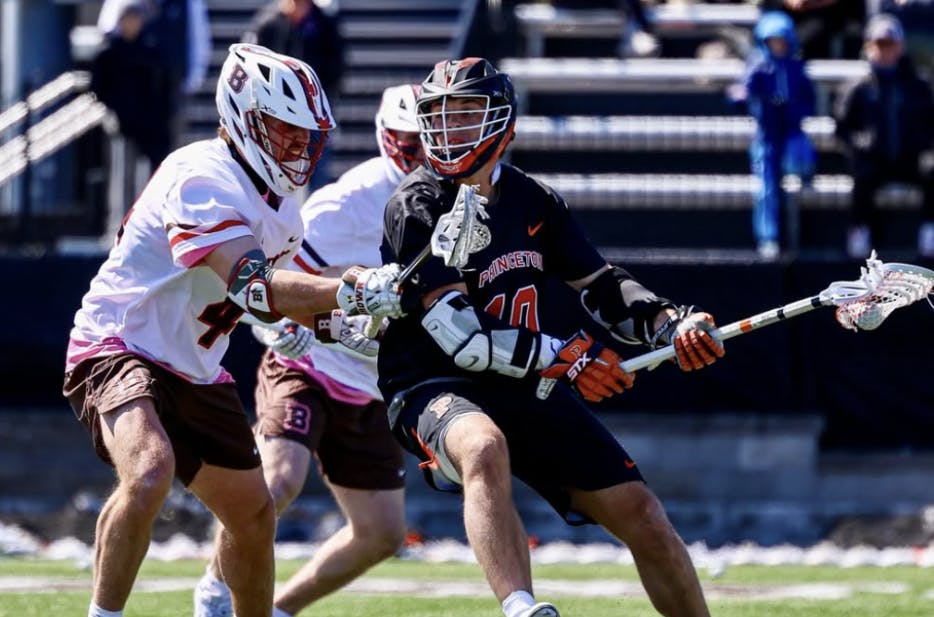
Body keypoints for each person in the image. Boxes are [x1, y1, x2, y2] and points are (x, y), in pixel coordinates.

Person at [62, 43, 403, 617]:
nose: (298, 147)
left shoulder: (284, 211)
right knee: (149, 472)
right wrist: (355, 289)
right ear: (244, 117)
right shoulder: (201, 175)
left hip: (194, 366)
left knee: (254, 514)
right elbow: (253, 284)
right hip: (121, 344)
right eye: (285, 130)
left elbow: (267, 308)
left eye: (307, 136)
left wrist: (353, 330)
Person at [378, 57, 726, 617]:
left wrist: (670, 322)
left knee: (644, 516)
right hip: (432, 380)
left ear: (503, 123)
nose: (449, 129)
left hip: (525, 382)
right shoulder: (415, 204)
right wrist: (567, 357)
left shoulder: (533, 200)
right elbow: (459, 336)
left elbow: (601, 285)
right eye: (440, 115)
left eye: (464, 114)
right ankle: (522, 608)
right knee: (482, 446)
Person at [193, 83, 425, 617]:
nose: (421, 154)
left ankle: (279, 609)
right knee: (276, 483)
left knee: (382, 531)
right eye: (409, 141)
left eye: (428, 141)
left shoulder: (456, 203)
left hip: (374, 383)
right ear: (386, 137)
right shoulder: (349, 202)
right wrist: (278, 328)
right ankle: (216, 591)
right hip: (311, 364)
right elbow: (267, 280)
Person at [834, 13, 934, 258]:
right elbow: (842, 127)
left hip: (910, 159)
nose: (885, 50)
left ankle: (930, 231)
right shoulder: (858, 86)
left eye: (890, 44)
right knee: (862, 176)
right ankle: (859, 232)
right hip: (874, 159)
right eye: (880, 44)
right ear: (869, 46)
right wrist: (860, 144)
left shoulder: (918, 84)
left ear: (900, 46)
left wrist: (923, 145)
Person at [731, 10, 817, 259]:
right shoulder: (758, 66)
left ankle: (805, 173)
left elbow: (809, 100)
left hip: (791, 132)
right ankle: (768, 238)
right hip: (767, 135)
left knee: (800, 158)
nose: (778, 46)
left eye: (782, 41)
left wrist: (794, 111)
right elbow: (743, 91)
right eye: (773, 41)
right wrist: (742, 97)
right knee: (767, 188)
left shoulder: (795, 67)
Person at [244, 0, 345, 193]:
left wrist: (319, 96)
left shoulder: (323, 22)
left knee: (316, 169)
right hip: (276, 112)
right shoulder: (268, 21)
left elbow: (336, 64)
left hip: (313, 110)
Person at [91, 0, 174, 169]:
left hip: (148, 126)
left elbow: (163, 88)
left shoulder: (152, 53)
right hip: (119, 124)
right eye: (127, 19)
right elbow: (98, 89)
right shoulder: (108, 55)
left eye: (135, 18)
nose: (131, 23)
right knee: (120, 167)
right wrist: (109, 112)